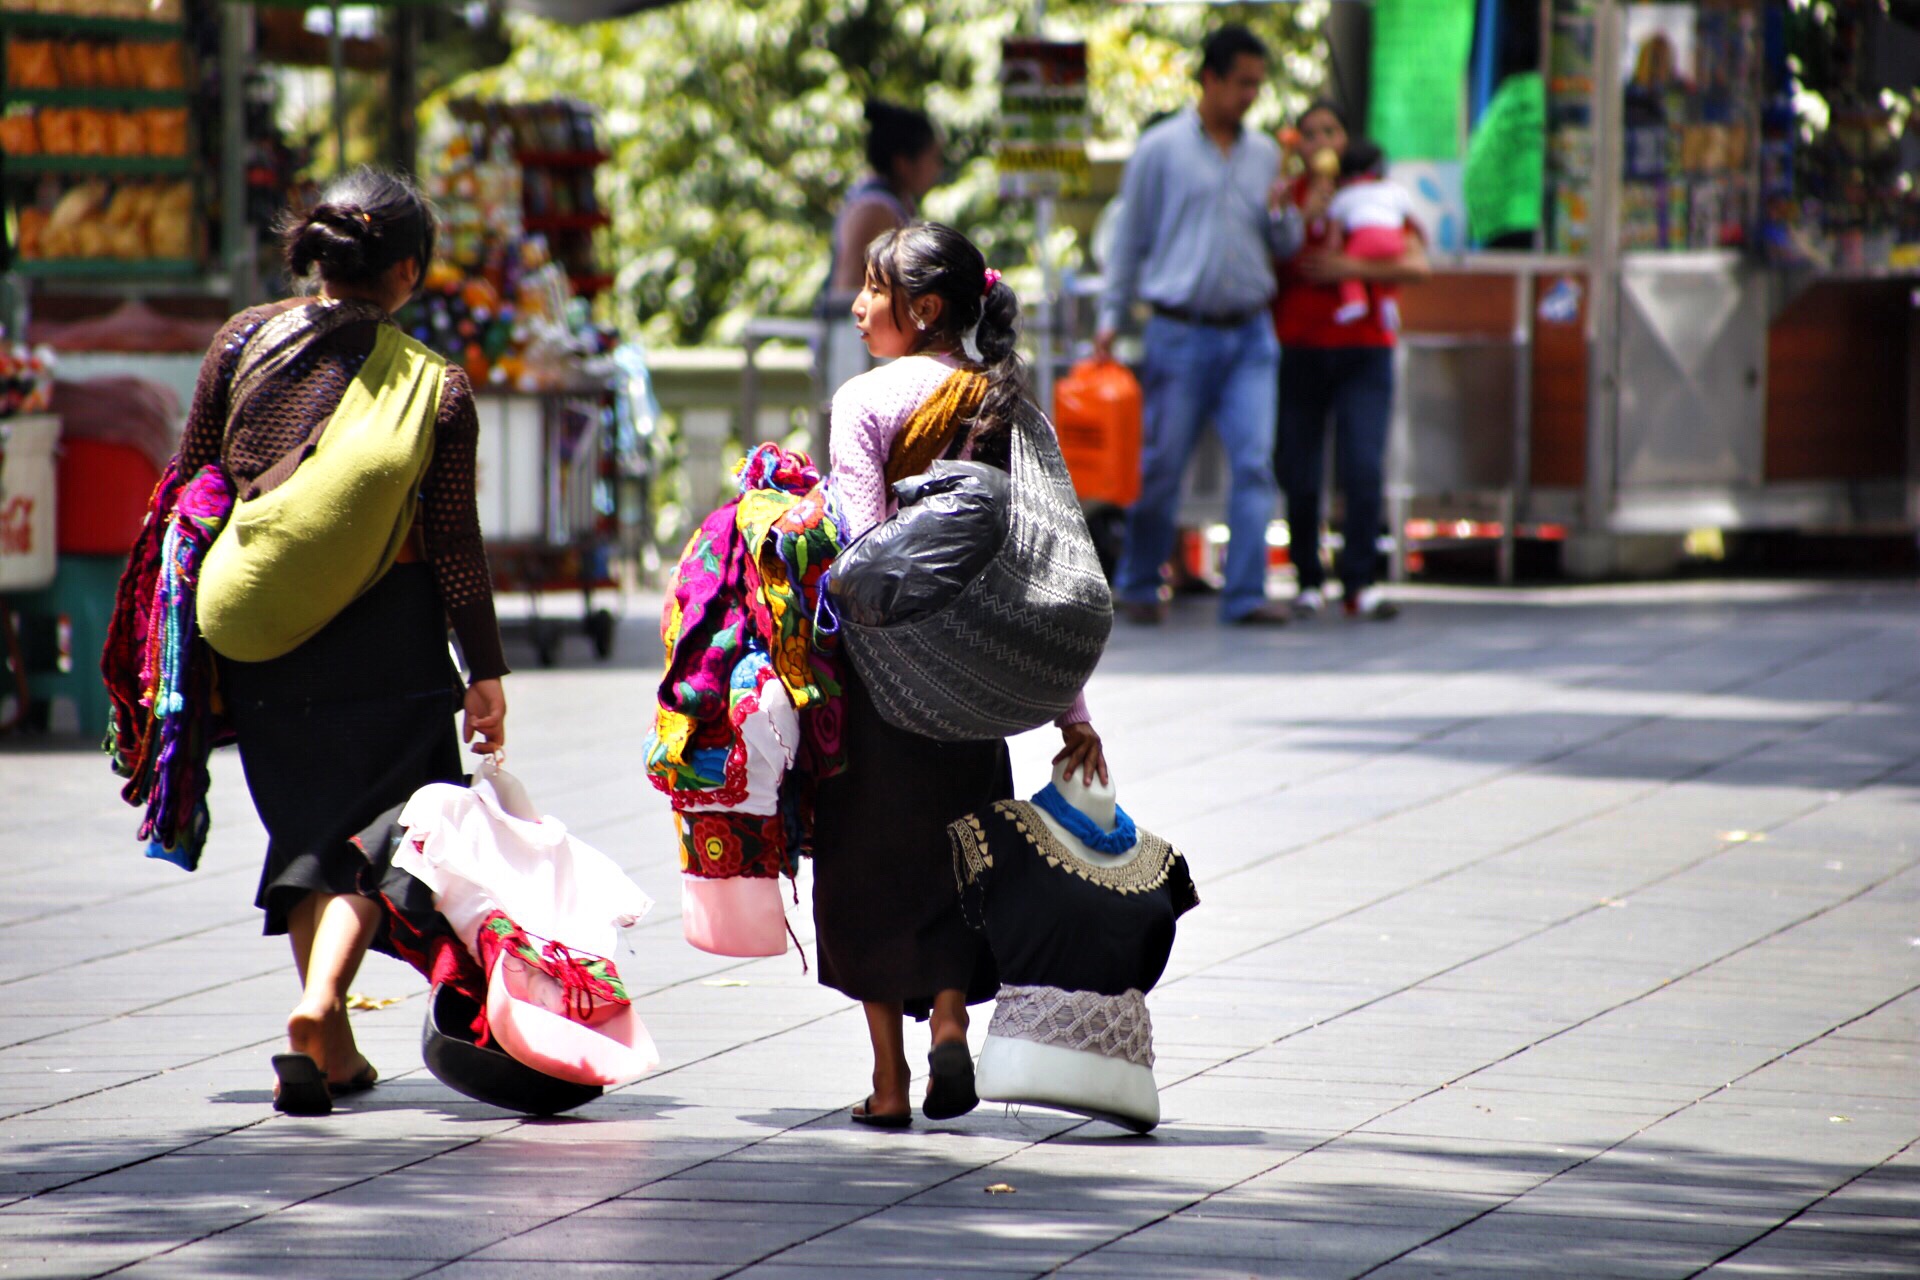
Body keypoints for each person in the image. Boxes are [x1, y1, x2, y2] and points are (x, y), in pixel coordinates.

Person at [167, 168, 508, 1113]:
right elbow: (454, 544)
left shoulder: (240, 341)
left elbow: (191, 481)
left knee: (308, 828)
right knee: (380, 834)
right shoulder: (433, 387)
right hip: (386, 643)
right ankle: (319, 1004)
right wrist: (484, 669)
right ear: (405, 271)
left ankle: (332, 1051)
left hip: (258, 624)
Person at [814, 221, 1108, 1128]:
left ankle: (889, 1085)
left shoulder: (866, 399)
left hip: (881, 685)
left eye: (874, 289)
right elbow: (1041, 569)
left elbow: (865, 555)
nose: (860, 306)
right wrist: (1072, 709)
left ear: (925, 307)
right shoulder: (1010, 402)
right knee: (956, 859)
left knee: (869, 872)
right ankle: (948, 1023)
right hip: (975, 687)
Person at [1095, 24, 1300, 628]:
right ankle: (1138, 581)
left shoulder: (1266, 153)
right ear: (1209, 79)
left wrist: (1289, 209)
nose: (1250, 96)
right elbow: (1130, 241)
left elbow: (1282, 244)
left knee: (1256, 462)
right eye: (1241, 83)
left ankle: (1245, 594)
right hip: (1178, 331)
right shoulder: (1159, 149)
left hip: (1250, 334)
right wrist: (1111, 316)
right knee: (1162, 464)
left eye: (1258, 85)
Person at [1272, 100, 1429, 621]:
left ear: (1347, 140)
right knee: (1302, 469)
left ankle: (1359, 580)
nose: (1321, 143)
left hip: (1365, 348)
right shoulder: (1287, 199)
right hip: (1301, 347)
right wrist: (1304, 218)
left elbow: (1416, 265)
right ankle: (1308, 579)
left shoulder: (1376, 196)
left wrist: (1348, 265)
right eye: (1311, 134)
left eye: (1331, 131)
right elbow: (1269, 261)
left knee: (1363, 465)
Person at [817, 99, 943, 397]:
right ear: (903, 162)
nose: (937, 169)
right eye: (933, 158)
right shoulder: (876, 209)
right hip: (859, 349)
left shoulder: (891, 202)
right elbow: (847, 290)